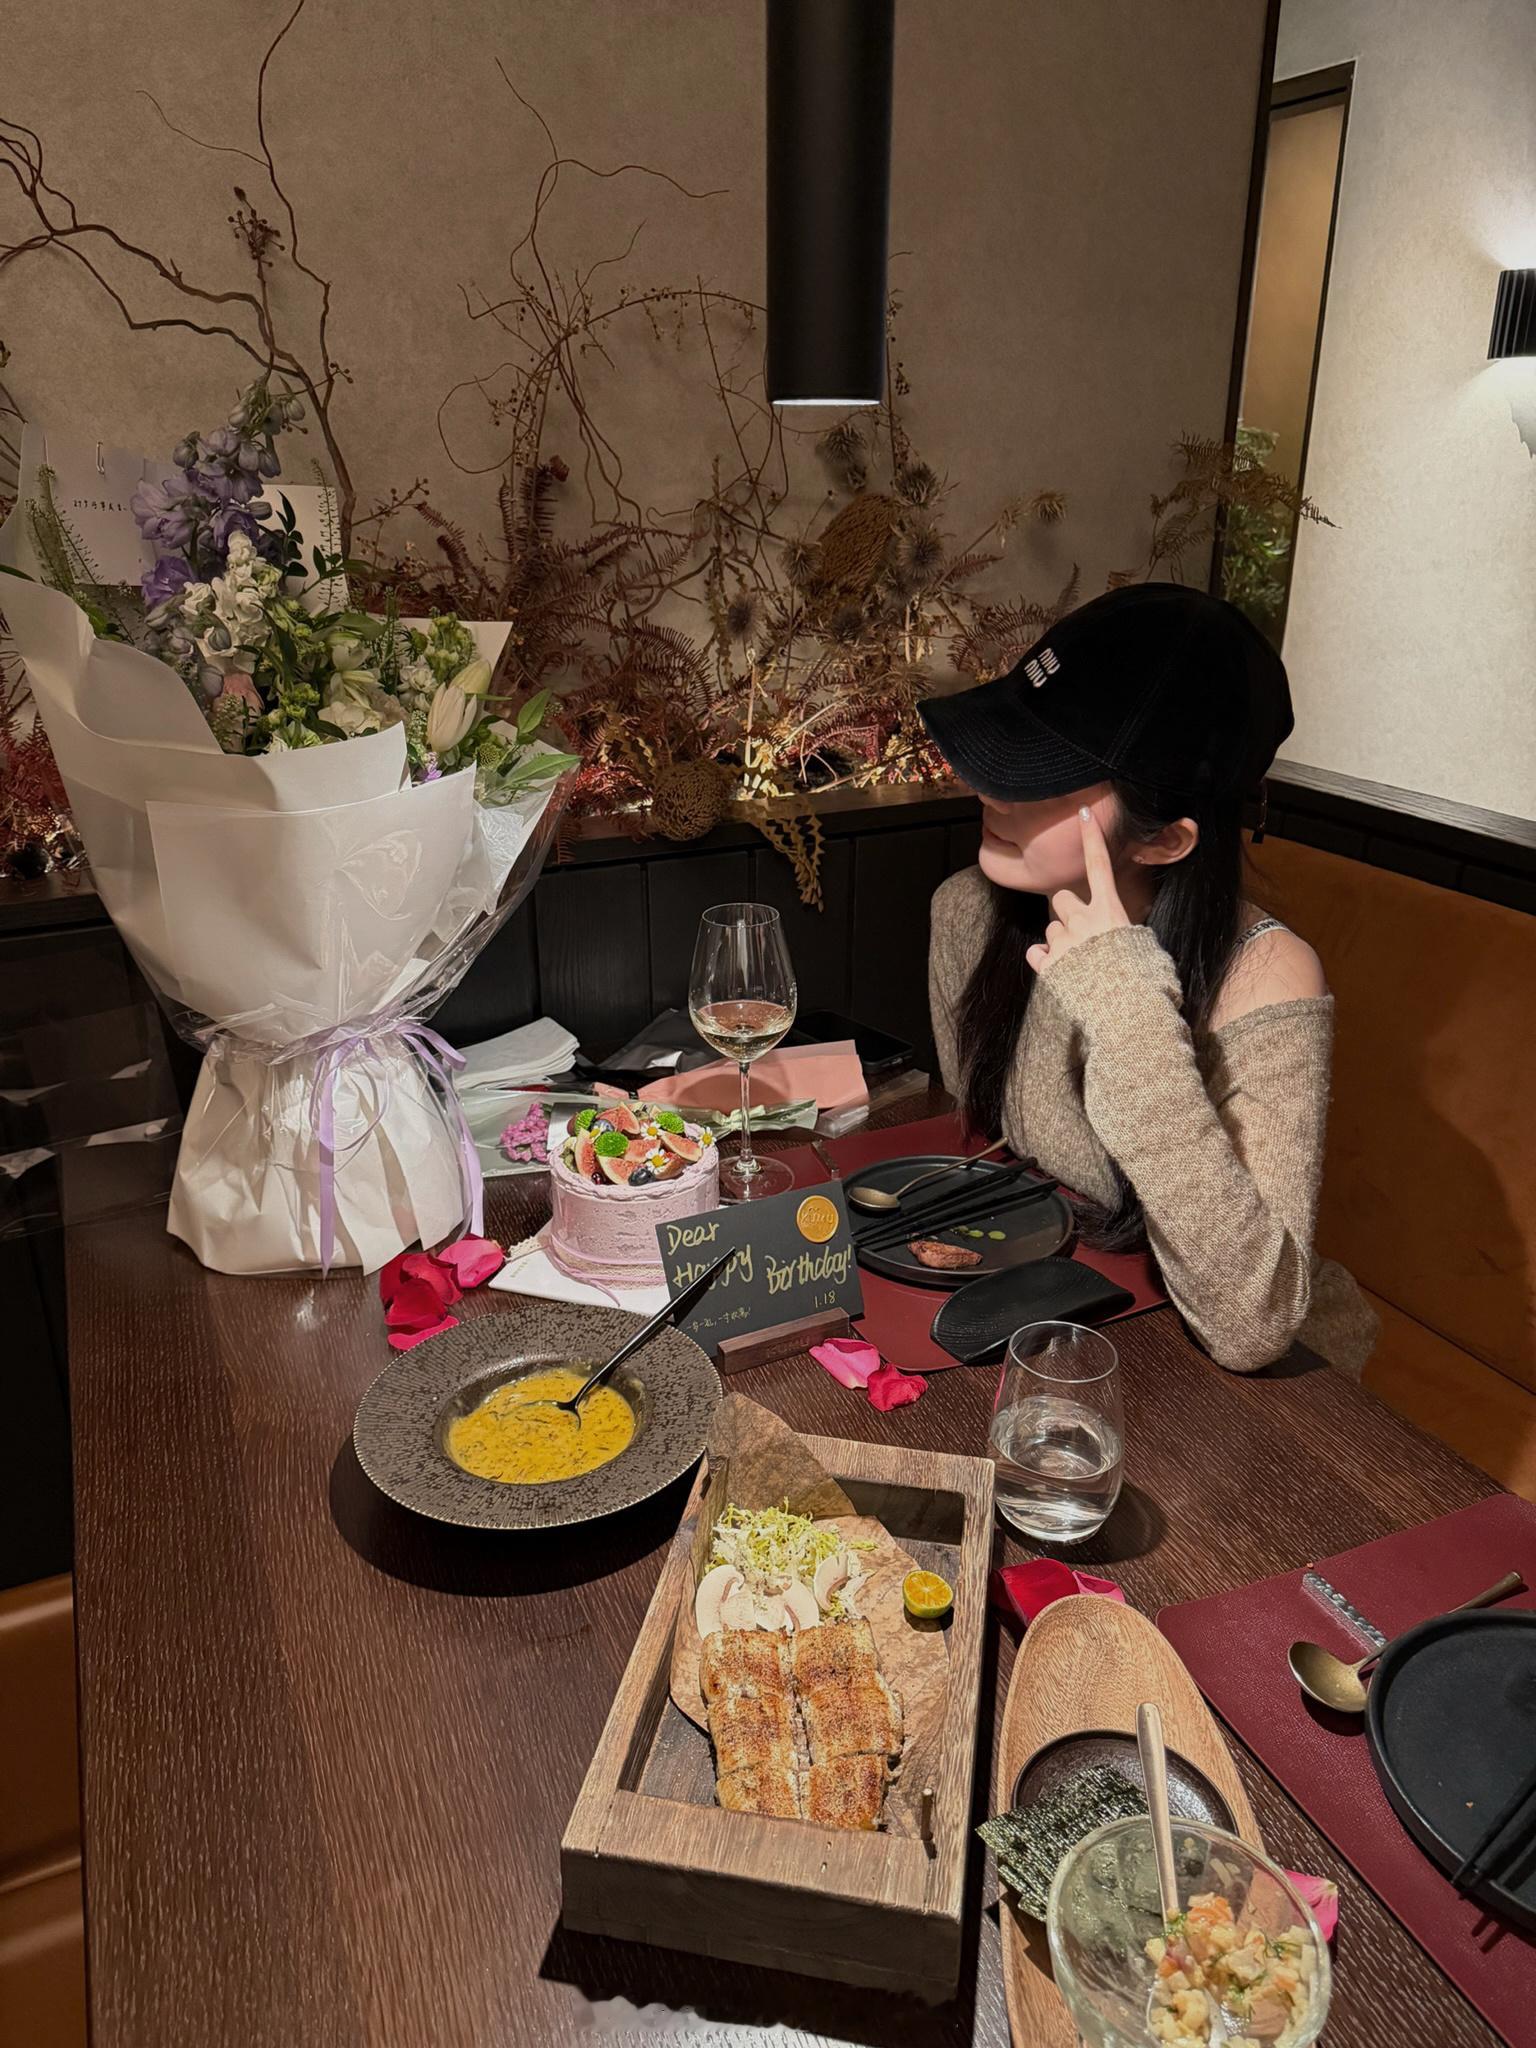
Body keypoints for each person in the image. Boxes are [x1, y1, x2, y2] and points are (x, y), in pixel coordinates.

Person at [920, 581, 1377, 1376]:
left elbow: (1252, 1322)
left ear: (1164, 840)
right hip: (1064, 1316)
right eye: (1007, 743)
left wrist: (1128, 1010)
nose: (988, 789)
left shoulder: (1266, 977)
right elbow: (1003, 1157)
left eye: (1043, 776)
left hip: (1258, 1386)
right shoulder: (971, 911)